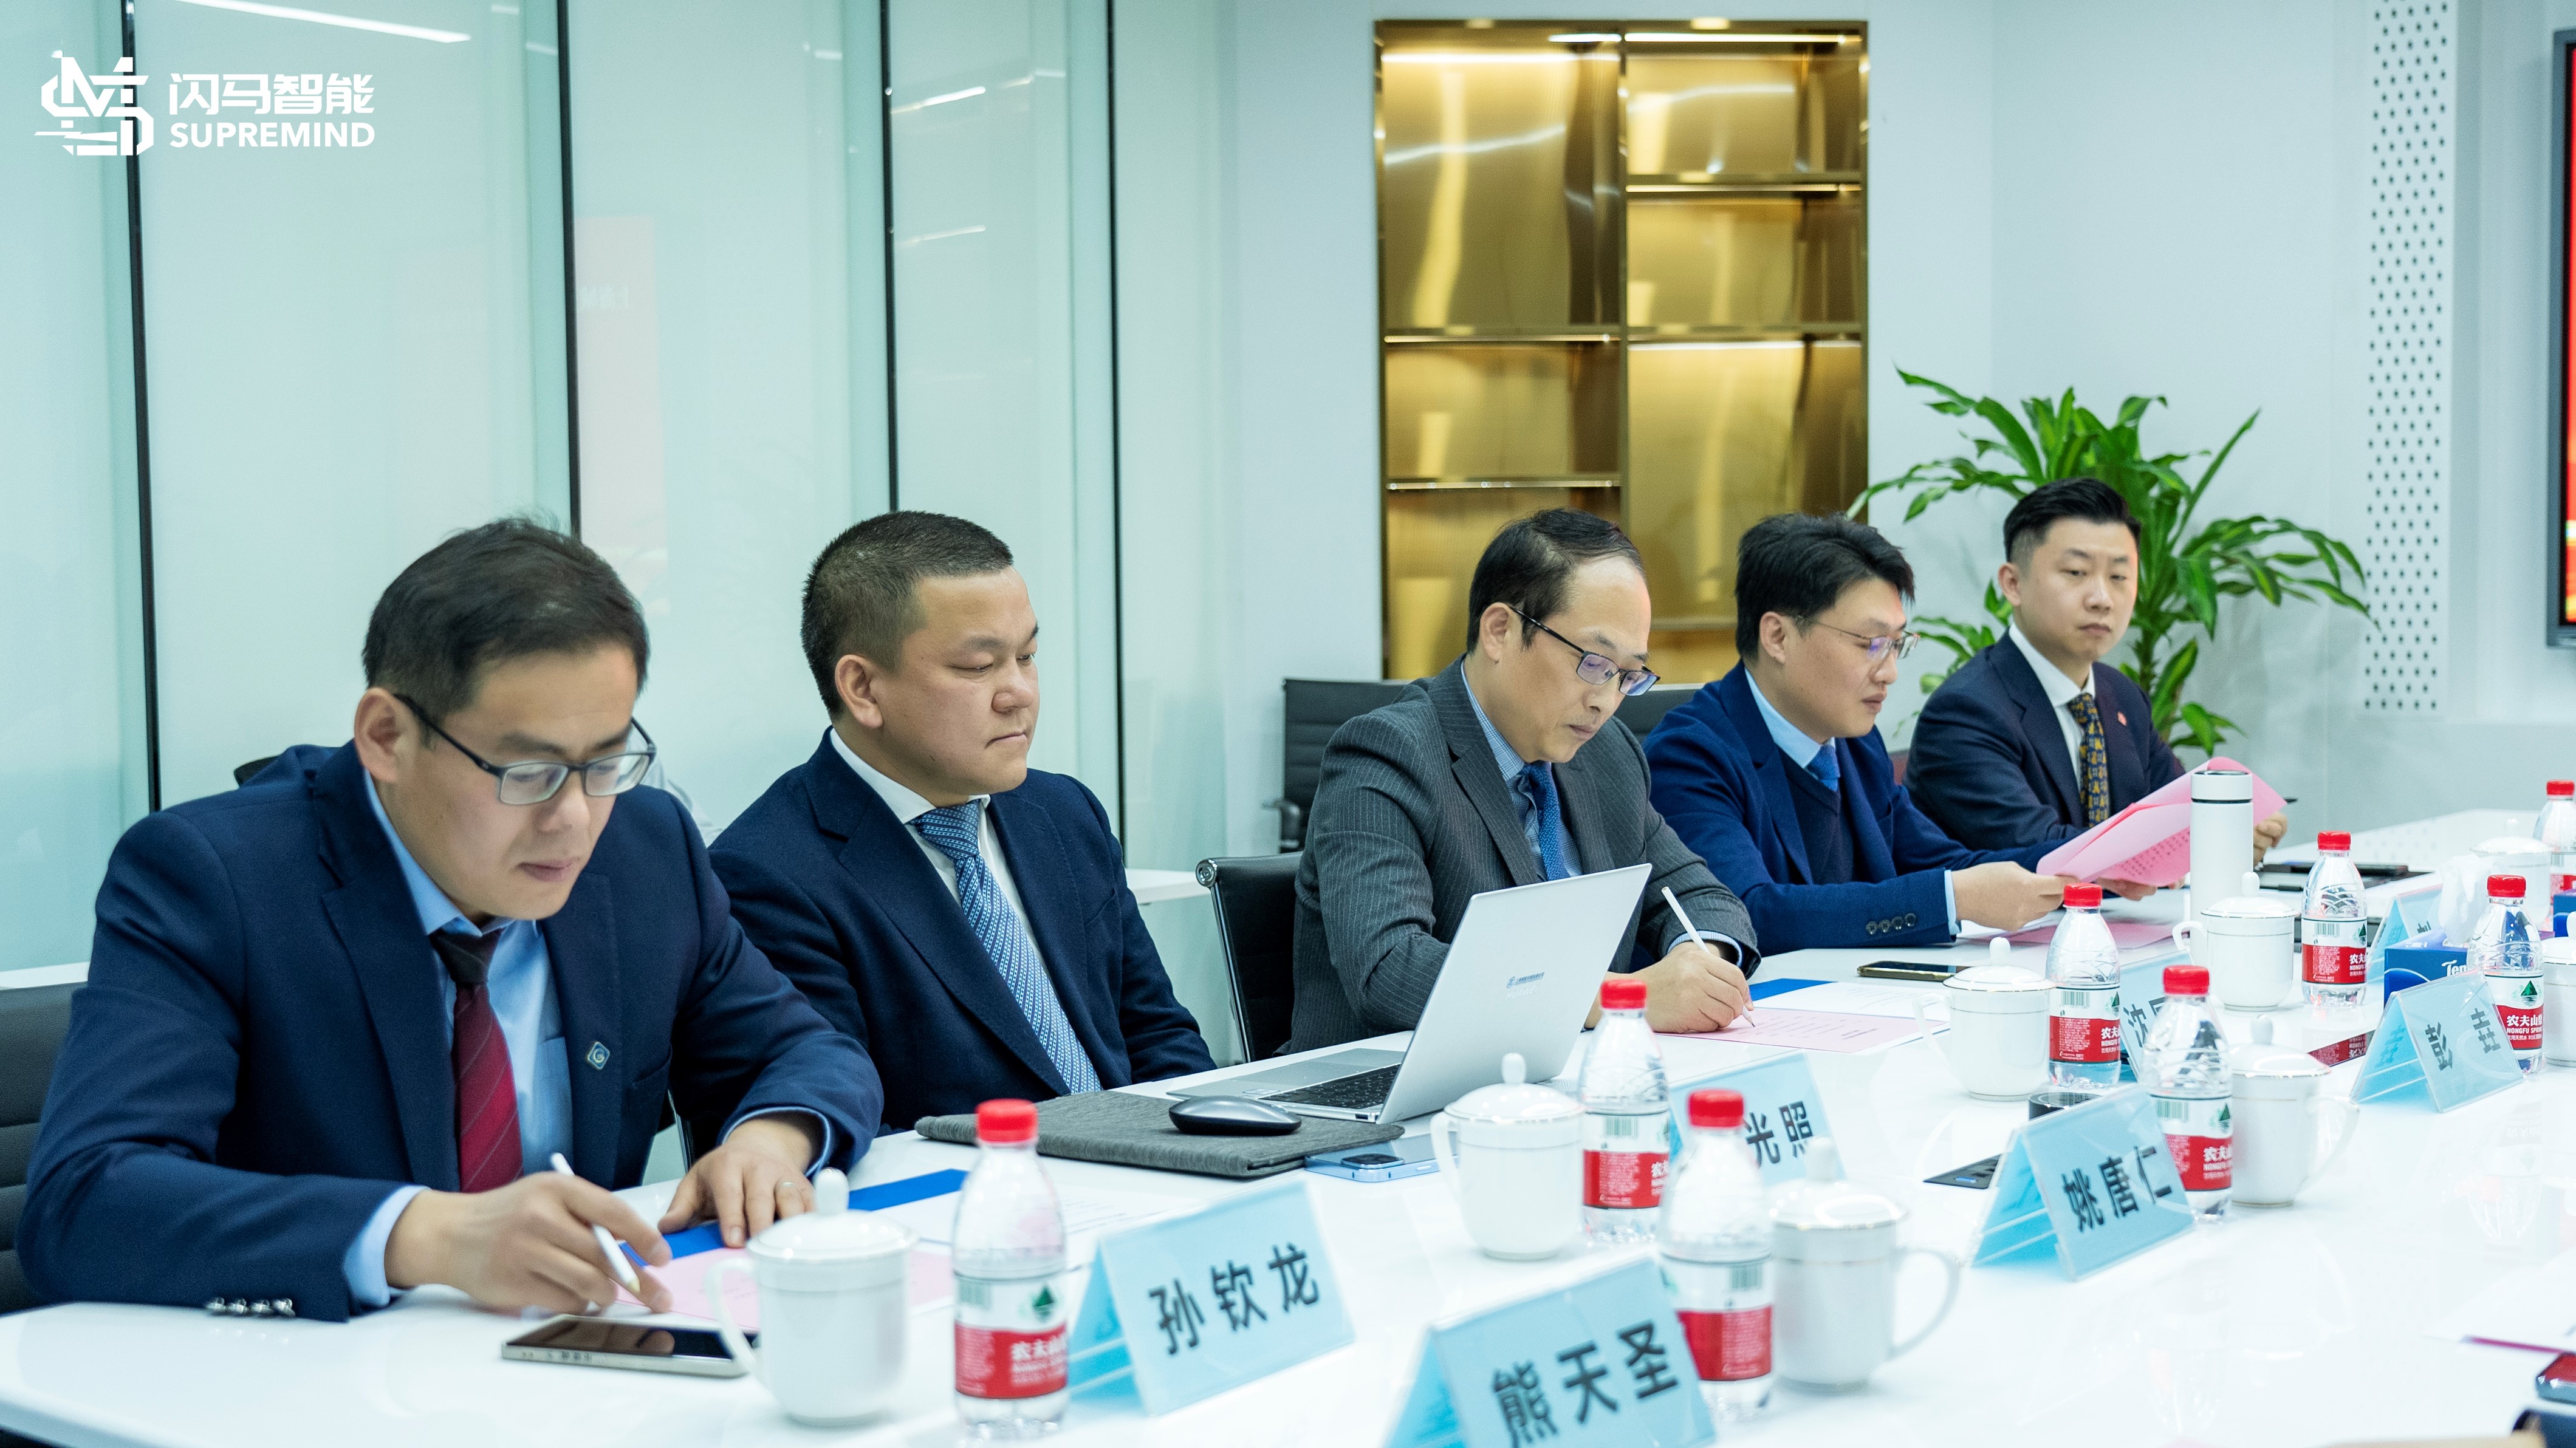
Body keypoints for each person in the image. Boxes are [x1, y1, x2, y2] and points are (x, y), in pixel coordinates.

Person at [24, 521, 880, 1324]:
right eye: (528, 771)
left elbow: (809, 1050)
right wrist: (425, 1235)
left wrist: (773, 1139)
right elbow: (86, 1199)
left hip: (586, 1358)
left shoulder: (644, 851)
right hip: (313, 1378)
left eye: (606, 761)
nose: (574, 819)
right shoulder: (216, 879)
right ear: (387, 736)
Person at [713, 513, 1211, 1129]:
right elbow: (838, 1116)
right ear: (862, 687)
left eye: (1027, 656)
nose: (1019, 692)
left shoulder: (1063, 813)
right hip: (973, 1182)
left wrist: (1206, 1146)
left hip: (1145, 1163)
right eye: (979, 667)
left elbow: (1157, 1034)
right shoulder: (767, 873)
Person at [1287, 508, 1759, 1054]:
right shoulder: (1387, 752)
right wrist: (1620, 998)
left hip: (1567, 1072)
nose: (1607, 700)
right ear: (1500, 631)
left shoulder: (1607, 755)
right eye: (1593, 663)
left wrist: (1700, 965)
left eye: (1629, 676)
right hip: (1388, 1084)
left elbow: (1700, 896)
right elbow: (1392, 970)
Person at [1642, 514, 2076, 955]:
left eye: (1897, 644)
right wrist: (1953, 898)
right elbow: (1746, 912)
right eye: (1871, 643)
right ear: (1777, 636)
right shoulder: (1690, 754)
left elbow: (1946, 864)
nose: (1889, 673)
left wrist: (2083, 863)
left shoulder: (1855, 744)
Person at [1905, 479, 2289, 859]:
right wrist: (2198, 839)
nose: (2102, 599)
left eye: (2119, 577)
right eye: (2076, 572)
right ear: (2013, 584)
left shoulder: (2122, 696)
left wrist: (2230, 826)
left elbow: (2178, 813)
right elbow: (2044, 851)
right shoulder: (1966, 712)